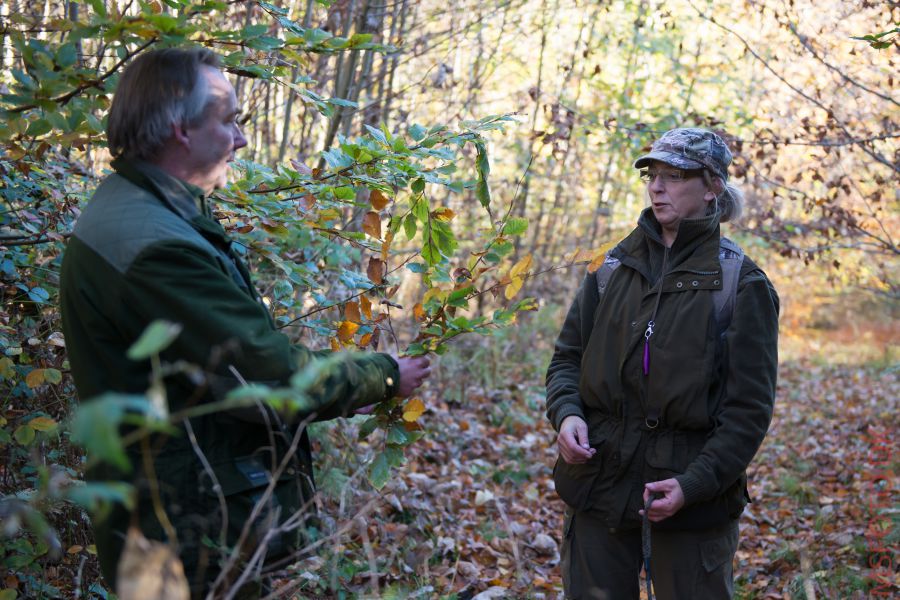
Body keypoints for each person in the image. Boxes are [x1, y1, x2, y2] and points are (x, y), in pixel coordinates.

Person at [59, 47, 431, 597]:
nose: (242, 139)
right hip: (180, 533)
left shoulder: (145, 214)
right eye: (230, 120)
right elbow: (273, 380)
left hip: (171, 514)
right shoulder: (154, 244)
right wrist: (383, 374)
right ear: (182, 129)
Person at [546, 128, 779, 599]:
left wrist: (692, 486)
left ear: (712, 186)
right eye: (653, 175)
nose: (657, 186)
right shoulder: (611, 268)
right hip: (599, 488)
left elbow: (748, 412)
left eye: (674, 176)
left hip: (689, 506)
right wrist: (567, 415)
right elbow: (567, 359)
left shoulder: (742, 284)